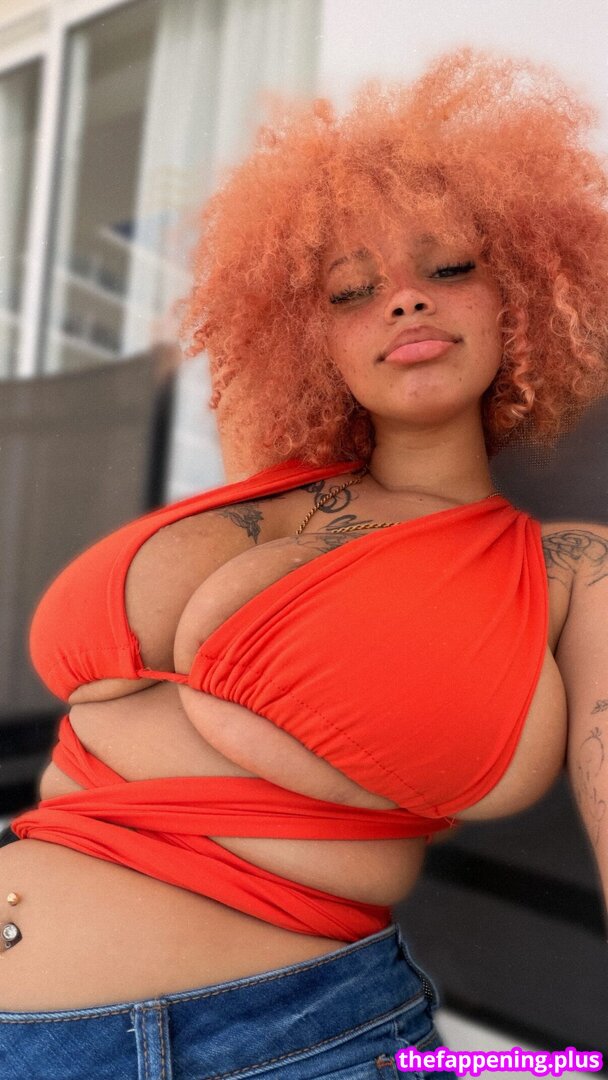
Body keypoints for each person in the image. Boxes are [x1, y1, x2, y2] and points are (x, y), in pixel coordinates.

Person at [0, 45, 607, 1078]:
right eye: (351, 291)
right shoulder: (242, 506)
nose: (404, 303)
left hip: (287, 1045)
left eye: (447, 269)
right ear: (304, 336)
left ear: (521, 295)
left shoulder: (570, 570)